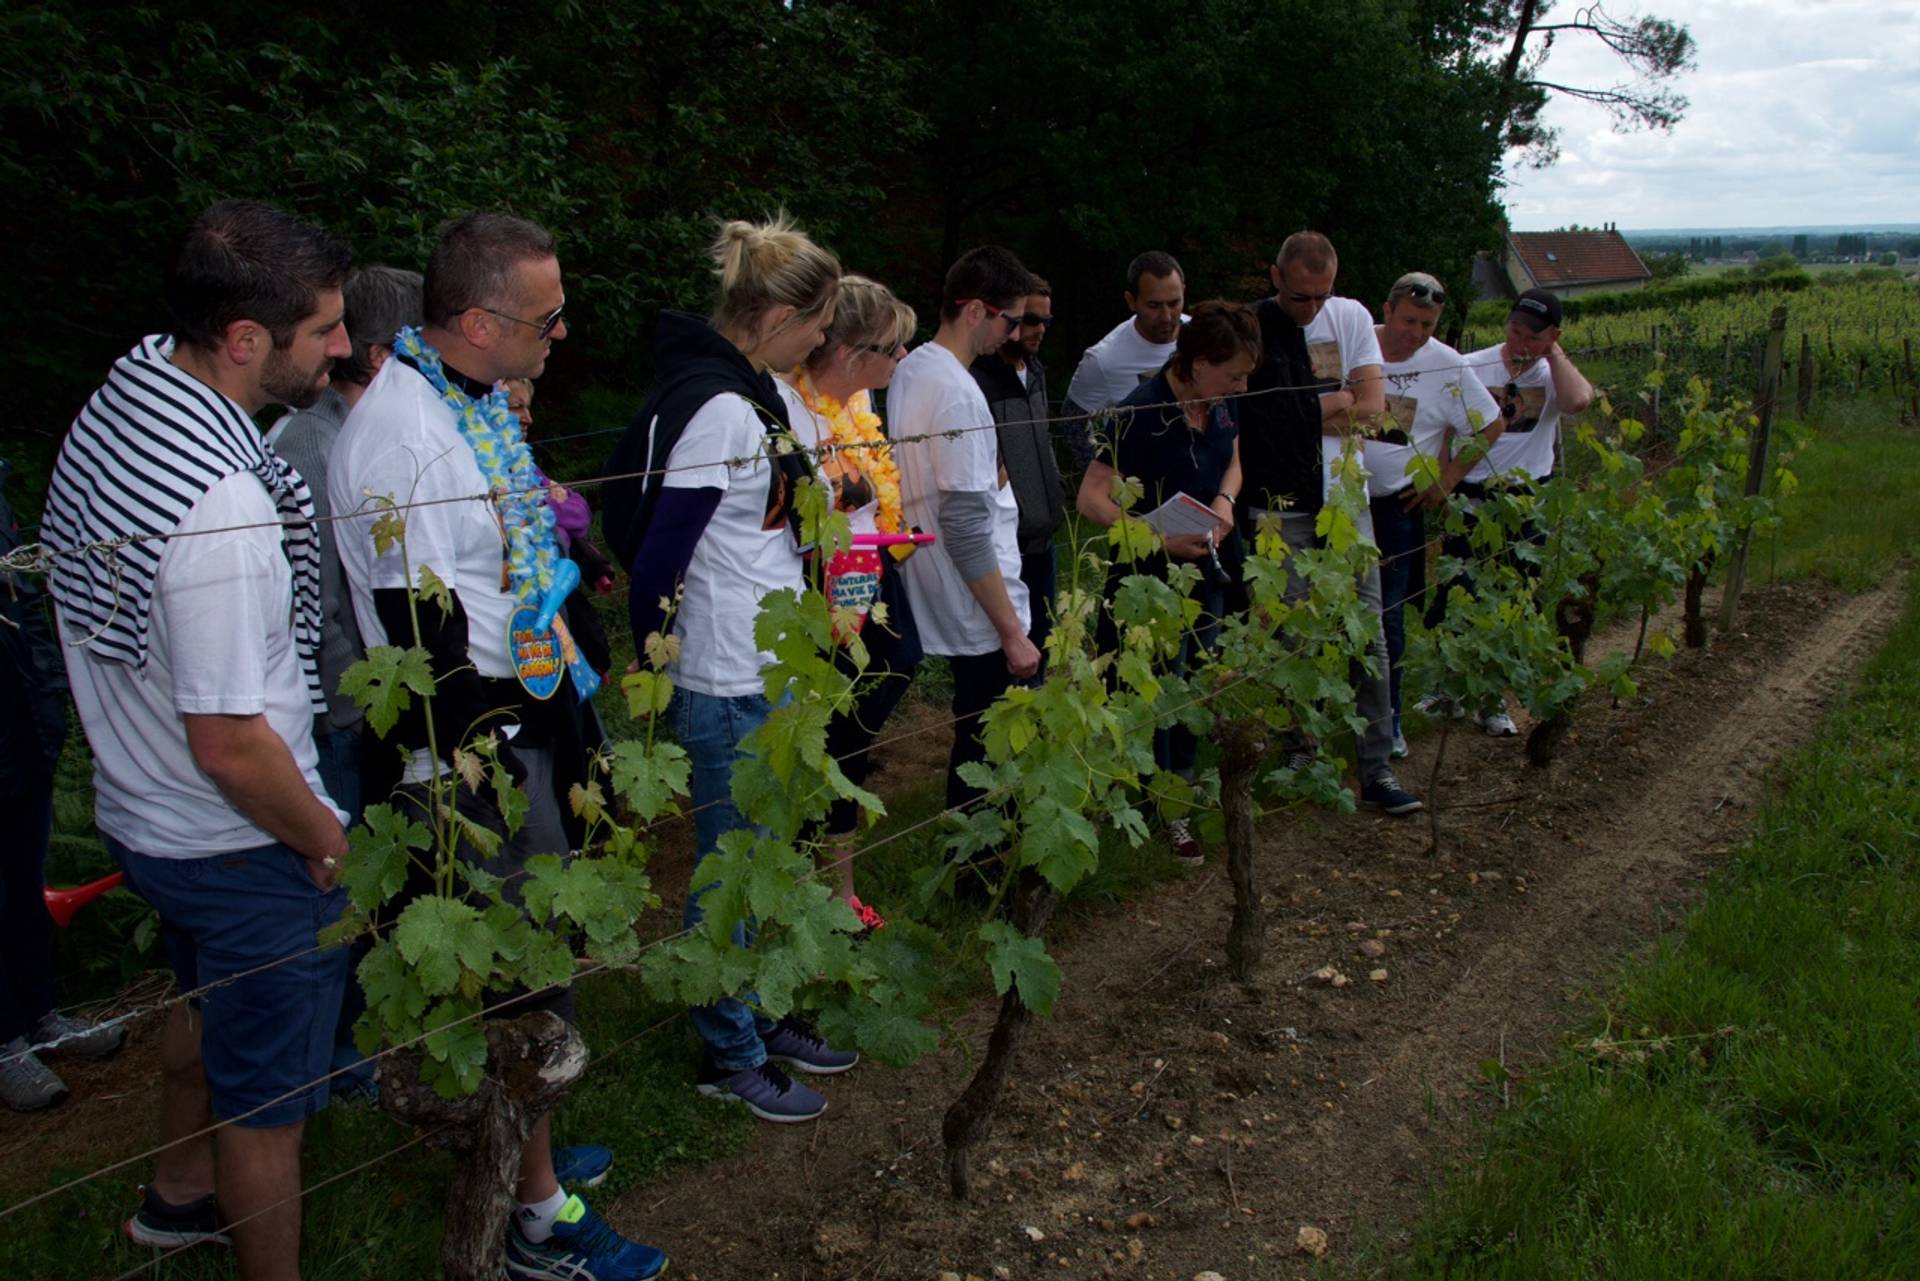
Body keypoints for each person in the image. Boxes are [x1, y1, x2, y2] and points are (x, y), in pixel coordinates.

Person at [330, 213, 665, 1281]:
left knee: (535, 969)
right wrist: (517, 749)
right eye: (546, 316)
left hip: (516, 725)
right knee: (521, 985)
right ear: (478, 322)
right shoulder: (408, 440)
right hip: (469, 756)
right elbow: (423, 645)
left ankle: (525, 1146)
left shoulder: (465, 402)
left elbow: (508, 575)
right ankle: (536, 1216)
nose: (561, 334)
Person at [39, 200, 352, 1280]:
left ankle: (175, 1198)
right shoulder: (221, 509)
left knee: (205, 1005)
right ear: (246, 339)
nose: (343, 348)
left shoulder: (125, 399)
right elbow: (228, 742)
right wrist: (323, 839)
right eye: (324, 330)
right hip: (234, 840)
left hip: (146, 815)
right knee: (269, 1109)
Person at [602, 213, 860, 1126]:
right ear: (779, 315)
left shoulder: (756, 393)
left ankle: (754, 1010)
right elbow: (661, 560)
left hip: (768, 666)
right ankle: (727, 1048)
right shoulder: (718, 408)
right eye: (818, 322)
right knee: (728, 865)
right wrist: (656, 673)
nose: (823, 340)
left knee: (761, 854)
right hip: (724, 672)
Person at [1237, 231, 1421, 816]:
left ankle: (1377, 769)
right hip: (1276, 507)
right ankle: (1300, 751)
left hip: (1345, 501)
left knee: (1368, 636)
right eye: (1301, 297)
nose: (1313, 307)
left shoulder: (1352, 317)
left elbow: (1373, 410)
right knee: (1287, 638)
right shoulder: (1252, 328)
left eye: (1322, 295)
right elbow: (1256, 423)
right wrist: (1334, 401)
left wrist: (1307, 411)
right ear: (1276, 278)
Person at [1075, 302, 1257, 864]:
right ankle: (1155, 802)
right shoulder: (1139, 411)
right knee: (1153, 686)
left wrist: (1225, 501)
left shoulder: (1219, 403)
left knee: (1196, 681)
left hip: (1209, 565)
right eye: (1234, 375)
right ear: (1199, 365)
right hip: (1148, 577)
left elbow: (1233, 461)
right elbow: (1090, 499)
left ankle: (1182, 780)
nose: (1241, 387)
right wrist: (1157, 539)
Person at [776, 275, 923, 924]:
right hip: (821, 586)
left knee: (882, 686)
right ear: (849, 352)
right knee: (834, 730)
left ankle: (831, 877)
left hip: (870, 570)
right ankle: (825, 889)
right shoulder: (791, 411)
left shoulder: (857, 400)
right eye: (892, 348)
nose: (902, 359)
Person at [265, 265, 422, 828]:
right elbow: (314, 604)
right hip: (341, 728)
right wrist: (360, 712)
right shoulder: (314, 446)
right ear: (382, 358)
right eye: (426, 350)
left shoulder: (366, 433)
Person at [890, 246, 1039, 822]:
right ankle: (981, 862)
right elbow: (965, 525)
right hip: (977, 601)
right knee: (988, 745)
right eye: (1010, 320)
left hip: (944, 584)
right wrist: (1012, 632)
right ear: (976, 310)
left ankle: (976, 853)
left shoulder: (912, 369)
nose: (1014, 334)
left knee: (975, 734)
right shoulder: (958, 393)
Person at [1, 458, 127, 1113]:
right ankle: (5, 1044)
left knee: (24, 880)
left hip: (21, 725)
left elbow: (26, 603)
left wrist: (49, 711)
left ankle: (40, 1015)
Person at [1434, 287, 1595, 736]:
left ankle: (1492, 699)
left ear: (1552, 337)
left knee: (1513, 598)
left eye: (1532, 336)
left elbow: (1578, 401)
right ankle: (1448, 688)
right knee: (1459, 592)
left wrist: (1552, 356)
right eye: (1515, 330)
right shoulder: (1473, 365)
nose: (1519, 342)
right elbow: (1443, 427)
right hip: (1471, 497)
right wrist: (1445, 483)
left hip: (1526, 503)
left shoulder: (1551, 375)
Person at [1369, 272, 1501, 755]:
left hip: (1397, 507)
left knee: (1388, 616)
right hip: (1337, 502)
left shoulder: (1447, 365)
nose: (1417, 333)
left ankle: (1389, 721)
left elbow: (1490, 424)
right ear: (1387, 311)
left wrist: (1447, 480)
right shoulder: (1356, 347)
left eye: (1428, 325)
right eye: (1409, 321)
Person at [971, 276, 1065, 668]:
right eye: (1030, 320)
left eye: (1046, 321)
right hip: (1005, 542)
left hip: (1044, 536)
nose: (1039, 329)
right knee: (1003, 658)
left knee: (1042, 644)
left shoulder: (1036, 370)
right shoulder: (978, 380)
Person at [1062, 251, 1186, 468]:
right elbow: (1073, 422)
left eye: (1174, 303)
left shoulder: (1205, 337)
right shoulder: (1103, 360)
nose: (1166, 316)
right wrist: (1102, 477)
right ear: (1131, 301)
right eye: (1154, 306)